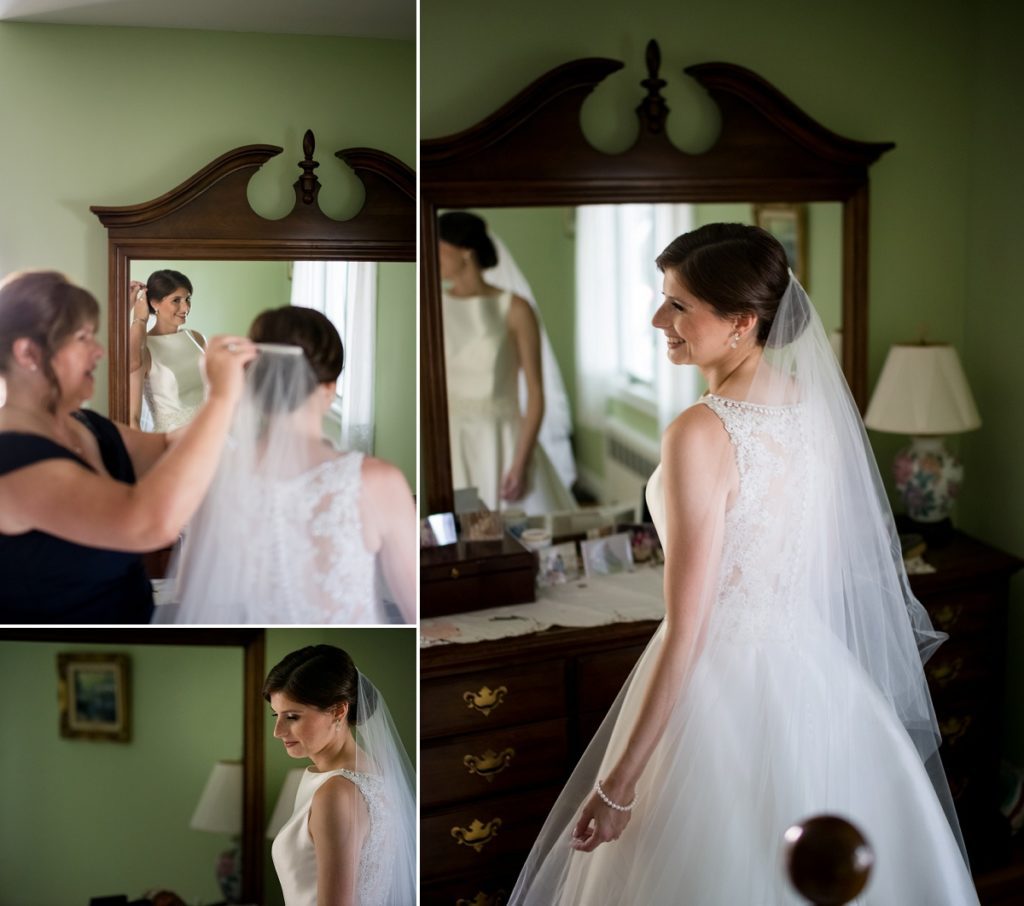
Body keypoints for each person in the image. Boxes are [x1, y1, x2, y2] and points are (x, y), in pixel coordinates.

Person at [508, 224, 980, 904]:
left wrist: (619, 787)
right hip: (814, 672)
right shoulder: (812, 407)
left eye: (678, 306)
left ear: (741, 321)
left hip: (719, 690)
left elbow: (690, 626)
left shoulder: (701, 431)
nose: (657, 319)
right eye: (662, 299)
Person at [0, 270, 256, 622]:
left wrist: (238, 418)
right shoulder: (12, 461)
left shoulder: (88, 427)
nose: (100, 350)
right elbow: (150, 522)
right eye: (83, 337)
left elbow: (166, 444)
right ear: (29, 353)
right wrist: (222, 398)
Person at [168, 306, 416, 623]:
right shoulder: (378, 482)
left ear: (257, 384)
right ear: (329, 388)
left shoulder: (216, 477)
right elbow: (415, 614)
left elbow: (190, 593)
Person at [439, 211, 575, 515]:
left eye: (439, 246)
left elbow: (536, 392)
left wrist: (520, 461)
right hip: (451, 441)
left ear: (465, 251)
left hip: (503, 442)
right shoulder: (434, 307)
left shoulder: (516, 309)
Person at [265, 645, 415, 906]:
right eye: (276, 715)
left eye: (292, 717)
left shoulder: (336, 792)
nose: (278, 731)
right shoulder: (371, 772)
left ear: (337, 711)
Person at [128, 270, 206, 431]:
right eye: (176, 300)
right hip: (171, 442)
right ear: (155, 303)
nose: (185, 307)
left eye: (187, 299)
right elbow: (132, 418)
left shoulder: (197, 338)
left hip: (211, 433)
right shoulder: (143, 349)